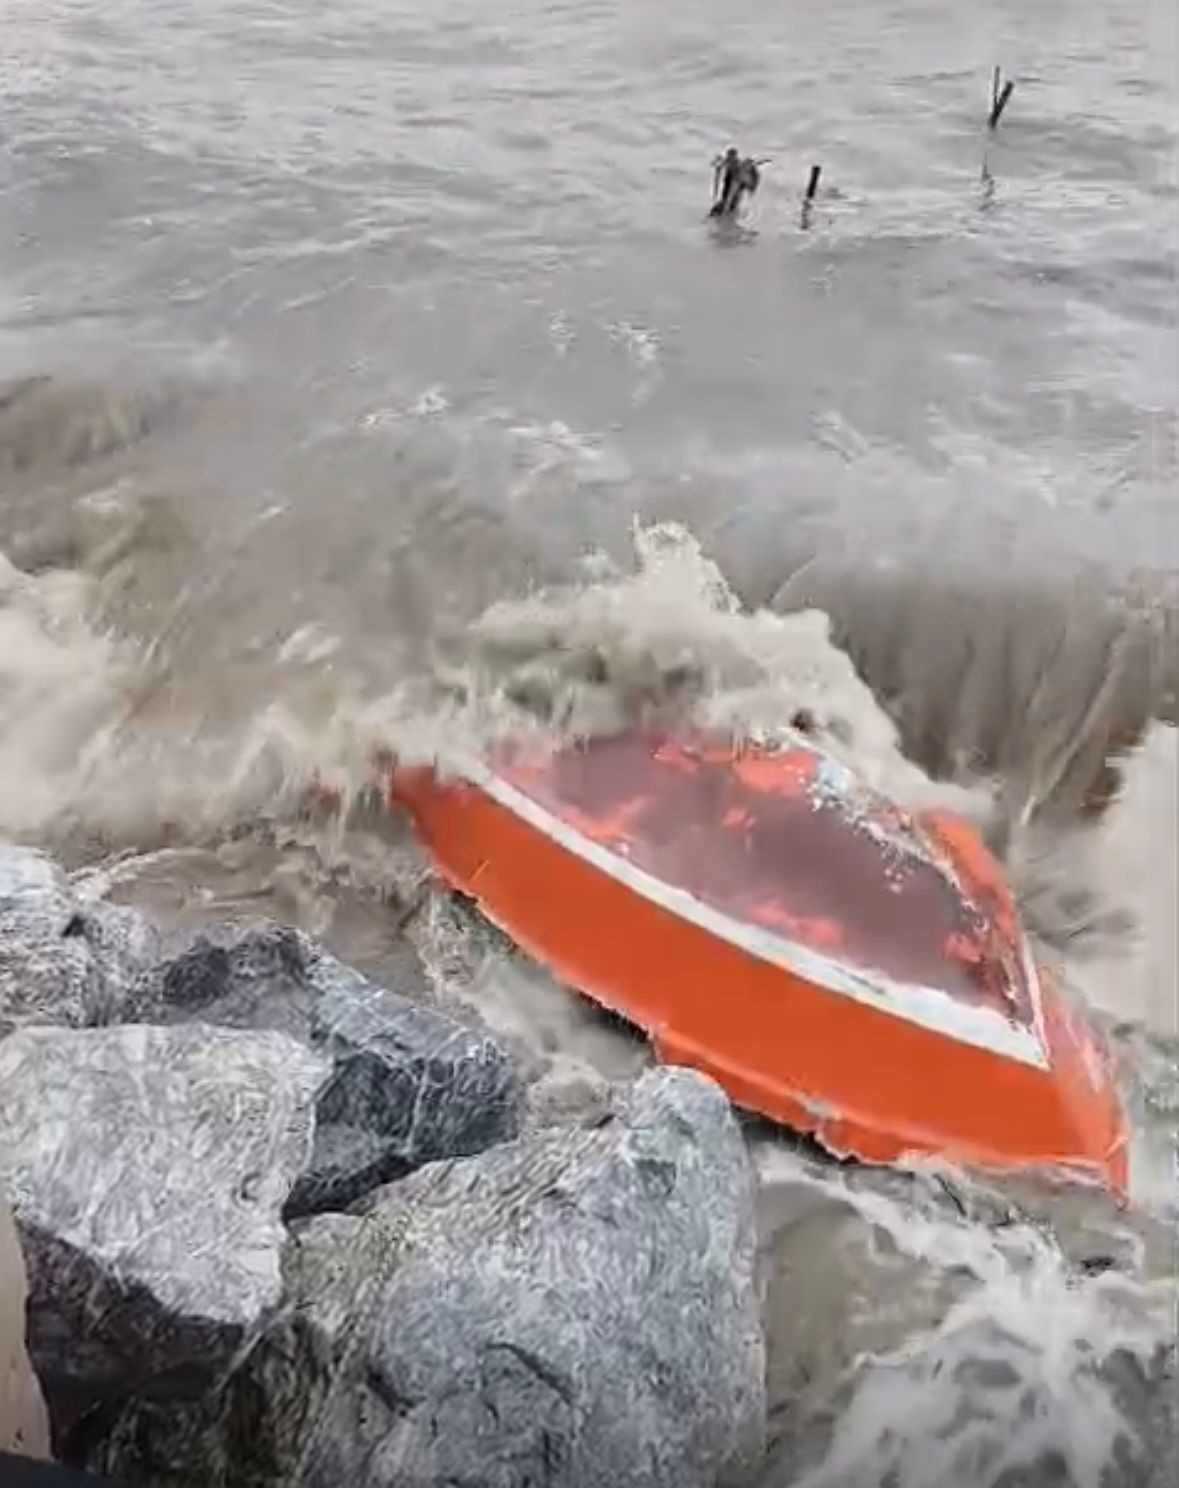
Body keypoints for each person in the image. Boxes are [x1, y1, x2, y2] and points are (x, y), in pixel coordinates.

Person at [709, 148, 761, 219]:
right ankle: (724, 217)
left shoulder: (740, 168)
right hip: (731, 183)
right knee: (723, 204)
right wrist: (717, 162)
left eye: (732, 159)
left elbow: (749, 186)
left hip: (740, 183)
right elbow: (716, 166)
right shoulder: (727, 162)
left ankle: (730, 217)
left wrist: (751, 190)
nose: (730, 161)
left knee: (732, 204)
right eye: (729, 158)